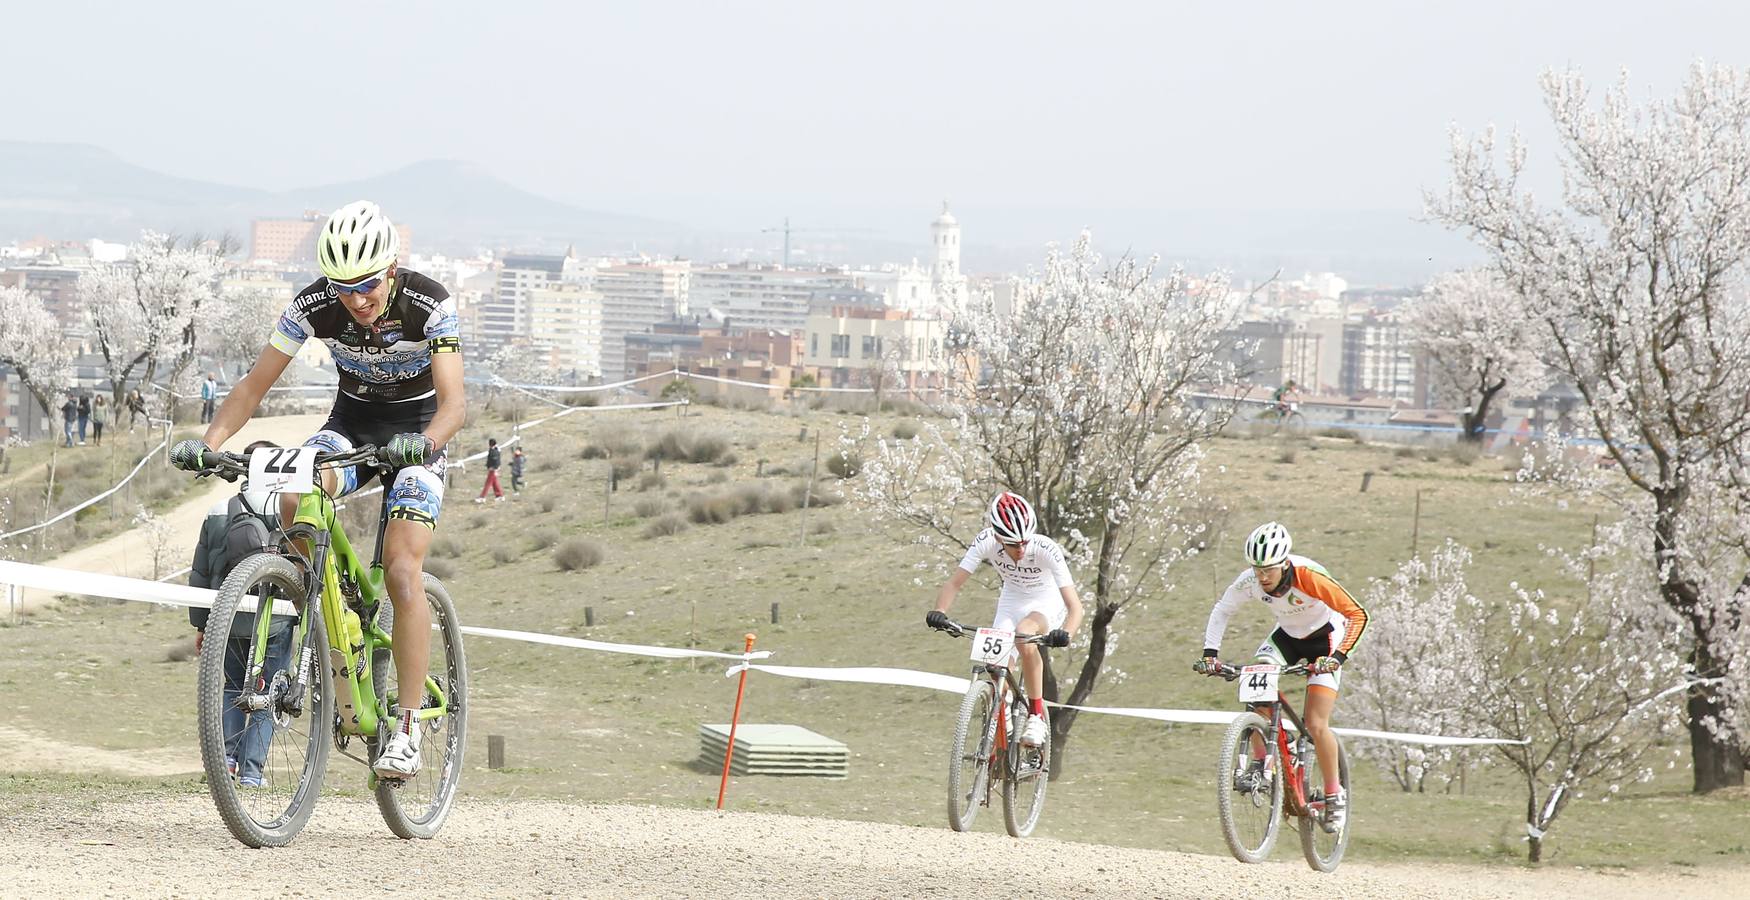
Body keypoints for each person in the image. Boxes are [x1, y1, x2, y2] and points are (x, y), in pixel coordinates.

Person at [171, 200, 463, 780]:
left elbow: (455, 405)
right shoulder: (312, 305)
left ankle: (405, 726)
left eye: (368, 285)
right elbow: (254, 386)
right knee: (291, 491)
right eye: (343, 287)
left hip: (419, 437)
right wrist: (209, 442)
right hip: (350, 429)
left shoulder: (431, 304)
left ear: (393, 265)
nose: (357, 299)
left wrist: (424, 442)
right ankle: (323, 618)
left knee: (403, 571)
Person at [1195, 521, 1369, 832]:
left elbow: (1357, 614)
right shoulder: (1249, 580)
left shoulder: (1308, 577)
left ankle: (1334, 794)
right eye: (1257, 569)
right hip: (1286, 636)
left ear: (1285, 563)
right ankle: (1265, 758)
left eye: (1269, 570)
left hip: (1326, 640)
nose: (1262, 577)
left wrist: (1337, 658)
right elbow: (1222, 610)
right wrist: (1210, 655)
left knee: (1316, 724)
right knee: (1257, 675)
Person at [927, 492, 1084, 747]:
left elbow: (1075, 606)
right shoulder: (985, 541)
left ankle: (1035, 716)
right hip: (1011, 601)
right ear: (998, 536)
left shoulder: (1045, 548)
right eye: (1013, 544)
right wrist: (940, 612)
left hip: (1045, 602)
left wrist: (1066, 633)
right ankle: (1001, 718)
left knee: (1023, 635)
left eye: (1024, 542)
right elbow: (955, 583)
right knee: (995, 666)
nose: (1021, 550)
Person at [189, 439, 294, 788]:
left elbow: (201, 573)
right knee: (270, 692)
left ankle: (227, 761)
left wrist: (201, 624)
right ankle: (252, 772)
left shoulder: (218, 510)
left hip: (229, 619)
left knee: (234, 686)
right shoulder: (288, 509)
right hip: (277, 617)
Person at [476, 438, 504, 503]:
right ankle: (499, 496)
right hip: (493, 469)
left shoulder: (493, 452)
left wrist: (494, 468)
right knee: (495, 483)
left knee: (488, 484)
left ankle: (482, 497)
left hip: (492, 469)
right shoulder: (496, 450)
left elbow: (495, 461)